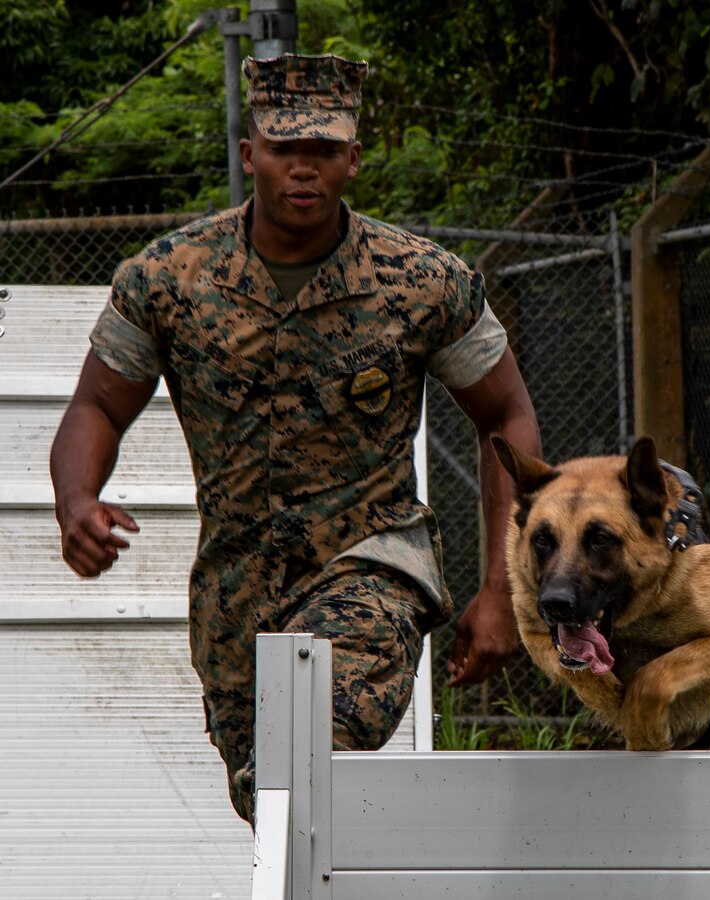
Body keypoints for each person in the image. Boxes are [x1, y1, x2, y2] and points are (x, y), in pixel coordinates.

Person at [50, 53, 541, 824]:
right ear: (251, 157)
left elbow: (505, 418)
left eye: (322, 151)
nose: (302, 170)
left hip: (370, 567)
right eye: (285, 150)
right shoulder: (168, 278)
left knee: (313, 742)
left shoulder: (422, 282)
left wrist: (503, 589)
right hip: (235, 599)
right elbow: (97, 407)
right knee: (277, 808)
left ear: (353, 159)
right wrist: (76, 497)